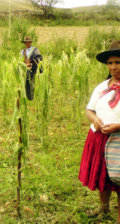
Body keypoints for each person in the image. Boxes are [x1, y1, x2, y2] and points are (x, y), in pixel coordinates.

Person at [79, 40, 120, 223]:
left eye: (118, 62)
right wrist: (95, 120)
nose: (113, 67)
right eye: (110, 63)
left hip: (118, 139)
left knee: (119, 179)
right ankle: (103, 208)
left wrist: (118, 126)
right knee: (102, 175)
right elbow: (90, 109)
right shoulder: (102, 87)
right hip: (99, 138)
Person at [21, 36, 43, 101]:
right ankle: (27, 97)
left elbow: (39, 58)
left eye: (28, 42)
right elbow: (21, 59)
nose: (27, 44)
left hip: (33, 69)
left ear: (30, 42)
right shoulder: (23, 51)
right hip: (25, 69)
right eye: (25, 42)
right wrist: (24, 63)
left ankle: (32, 98)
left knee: (32, 83)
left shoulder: (35, 50)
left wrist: (31, 61)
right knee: (26, 83)